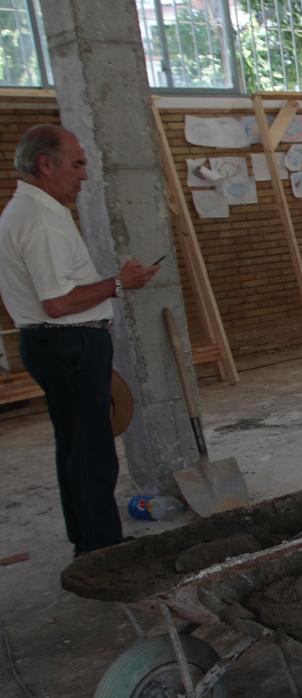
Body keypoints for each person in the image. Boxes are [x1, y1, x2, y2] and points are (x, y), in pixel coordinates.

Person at [0, 124, 159, 555]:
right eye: (77, 164)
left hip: (60, 343)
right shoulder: (40, 222)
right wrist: (120, 283)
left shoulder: (33, 211)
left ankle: (89, 538)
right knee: (90, 450)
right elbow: (58, 302)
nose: (84, 176)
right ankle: (101, 547)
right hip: (66, 343)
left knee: (77, 444)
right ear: (44, 164)